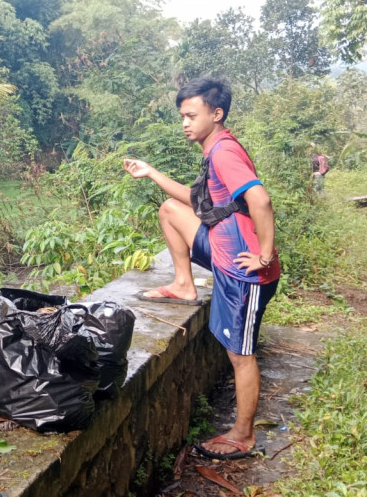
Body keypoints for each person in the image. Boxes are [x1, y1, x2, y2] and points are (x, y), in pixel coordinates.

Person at [122, 77, 280, 460]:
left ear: (217, 113)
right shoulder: (215, 151)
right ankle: (183, 285)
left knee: (241, 355)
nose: (185, 123)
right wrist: (152, 173)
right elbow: (196, 201)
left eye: (191, 115)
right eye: (182, 116)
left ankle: (243, 435)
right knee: (170, 210)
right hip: (224, 253)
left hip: (244, 273)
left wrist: (264, 254)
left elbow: (261, 199)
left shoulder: (224, 153)